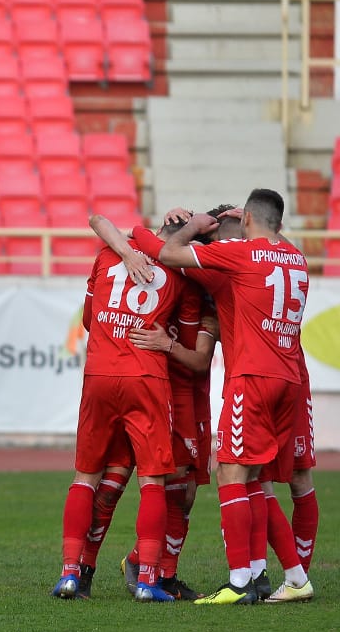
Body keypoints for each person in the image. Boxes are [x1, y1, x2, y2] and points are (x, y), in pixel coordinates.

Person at [129, 189, 310, 605]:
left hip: (253, 378)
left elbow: (165, 253)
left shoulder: (240, 256)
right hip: (289, 378)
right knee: (257, 481)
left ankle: (240, 582)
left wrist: (176, 227)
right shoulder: (296, 257)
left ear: (246, 220)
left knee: (229, 472)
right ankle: (290, 576)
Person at [52, 217, 192, 602]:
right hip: (146, 378)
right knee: (153, 481)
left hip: (99, 374)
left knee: (85, 478)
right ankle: (146, 578)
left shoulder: (105, 258)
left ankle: (69, 574)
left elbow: (87, 318)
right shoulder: (178, 274)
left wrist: (126, 253)